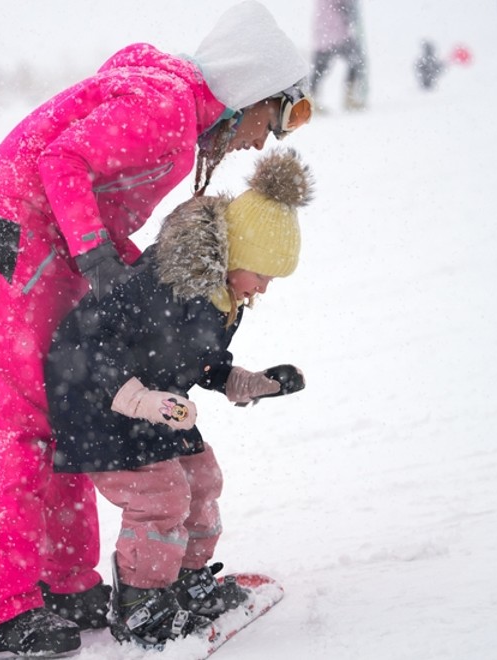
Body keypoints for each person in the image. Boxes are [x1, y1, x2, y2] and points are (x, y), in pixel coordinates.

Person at [0, 0, 312, 657]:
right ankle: (0, 604)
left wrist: (115, 262)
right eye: (273, 118)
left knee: (69, 405)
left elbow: (90, 145)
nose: (264, 141)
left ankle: (65, 583)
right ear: (248, 94)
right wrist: (95, 251)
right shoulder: (168, 110)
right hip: (18, 232)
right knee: (24, 420)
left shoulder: (170, 96)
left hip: (42, 237)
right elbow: (62, 161)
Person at [44, 147, 312, 647]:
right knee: (160, 496)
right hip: (96, 402)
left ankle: (186, 579)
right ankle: (141, 602)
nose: (263, 289)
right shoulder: (163, 284)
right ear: (240, 256)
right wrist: (138, 399)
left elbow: (193, 358)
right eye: (263, 275)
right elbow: (91, 343)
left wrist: (246, 381)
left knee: (201, 478)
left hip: (157, 405)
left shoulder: (220, 295)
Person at [309, 0, 369, 111]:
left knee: (320, 68)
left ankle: (311, 100)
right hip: (334, 30)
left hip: (325, 30)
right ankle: (348, 97)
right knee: (356, 60)